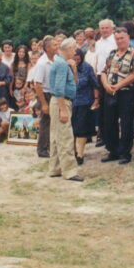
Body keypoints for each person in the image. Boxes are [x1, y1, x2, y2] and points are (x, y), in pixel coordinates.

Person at [99, 26, 134, 164]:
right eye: (117, 39)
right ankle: (113, 151)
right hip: (110, 92)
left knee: (126, 124)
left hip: (126, 93)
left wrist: (118, 85)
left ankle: (125, 153)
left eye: (122, 38)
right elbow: (104, 72)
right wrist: (106, 85)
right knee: (109, 122)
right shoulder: (112, 53)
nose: (119, 41)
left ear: (128, 37)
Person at [48, 38, 83, 181]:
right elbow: (58, 88)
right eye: (73, 49)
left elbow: (74, 82)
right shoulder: (62, 64)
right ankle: (70, 171)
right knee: (65, 137)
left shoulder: (62, 63)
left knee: (56, 136)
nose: (75, 52)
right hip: (61, 102)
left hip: (59, 102)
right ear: (68, 49)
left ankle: (55, 168)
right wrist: (62, 109)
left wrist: (73, 69)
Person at [29, 38, 57, 158]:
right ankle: (42, 149)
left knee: (53, 122)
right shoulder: (42, 63)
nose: (57, 47)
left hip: (55, 93)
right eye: (54, 45)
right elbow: (37, 84)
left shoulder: (56, 59)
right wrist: (44, 103)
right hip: (45, 94)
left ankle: (51, 146)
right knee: (45, 122)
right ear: (47, 48)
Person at [71, 47, 99, 164]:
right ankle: (73, 151)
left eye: (78, 59)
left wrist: (96, 99)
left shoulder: (87, 68)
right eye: (74, 59)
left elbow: (95, 85)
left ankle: (80, 154)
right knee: (72, 129)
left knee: (81, 129)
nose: (76, 61)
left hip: (84, 101)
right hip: (71, 102)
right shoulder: (66, 68)